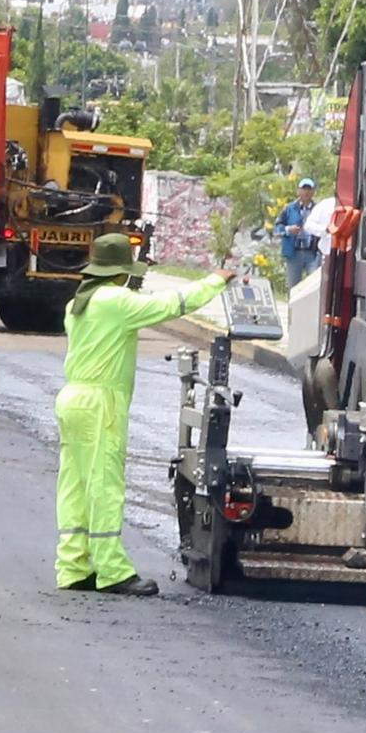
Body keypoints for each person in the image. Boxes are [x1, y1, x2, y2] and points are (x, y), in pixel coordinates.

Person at [54, 230, 224, 597]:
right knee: (104, 484)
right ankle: (112, 571)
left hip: (72, 398)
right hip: (100, 404)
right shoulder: (116, 301)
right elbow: (171, 304)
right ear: (120, 272)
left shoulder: (79, 303)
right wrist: (216, 281)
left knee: (75, 485)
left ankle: (73, 566)